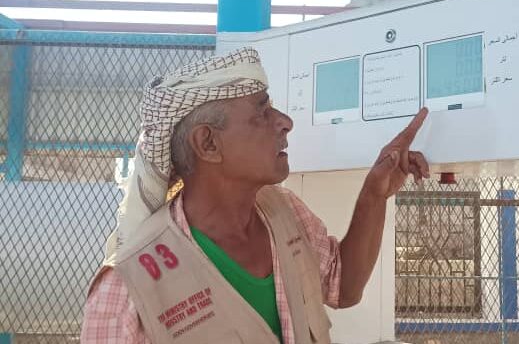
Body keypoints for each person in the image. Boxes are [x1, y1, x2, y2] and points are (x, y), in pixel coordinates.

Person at [80, 47, 429, 343]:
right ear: (208, 143)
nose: (285, 121)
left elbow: (344, 287)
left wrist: (373, 195)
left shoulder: (285, 212)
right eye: (262, 112)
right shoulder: (128, 288)